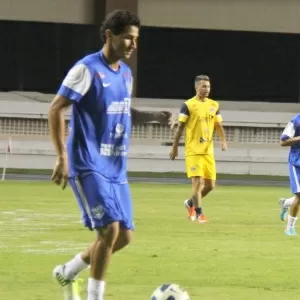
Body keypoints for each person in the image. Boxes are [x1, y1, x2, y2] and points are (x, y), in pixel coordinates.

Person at [48, 9, 172, 300]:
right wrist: (61, 157)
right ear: (109, 36)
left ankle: (67, 273)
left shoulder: (126, 75)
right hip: (87, 162)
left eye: (136, 39)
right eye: (128, 38)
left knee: (124, 236)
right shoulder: (86, 69)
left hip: (115, 166)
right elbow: (56, 108)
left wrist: (154, 115)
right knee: (109, 232)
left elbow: (122, 111)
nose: (133, 45)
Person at [169, 75, 227, 223]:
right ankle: (199, 213)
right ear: (196, 87)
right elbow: (180, 127)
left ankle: (190, 203)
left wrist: (223, 141)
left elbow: (218, 125)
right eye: (203, 86)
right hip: (193, 150)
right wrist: (174, 147)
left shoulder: (214, 105)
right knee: (197, 182)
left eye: (208, 86)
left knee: (210, 185)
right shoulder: (188, 105)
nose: (206, 89)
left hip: (208, 151)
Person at [280, 115, 300, 236]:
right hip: (296, 163)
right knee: (299, 194)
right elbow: (283, 141)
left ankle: (286, 203)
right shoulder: (296, 121)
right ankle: (289, 228)